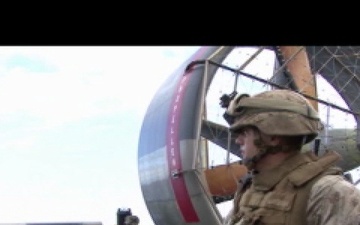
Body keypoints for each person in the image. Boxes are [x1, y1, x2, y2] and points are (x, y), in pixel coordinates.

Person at [222, 89, 360, 225]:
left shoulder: (328, 192)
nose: (238, 141)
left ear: (273, 137)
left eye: (245, 133)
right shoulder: (249, 190)